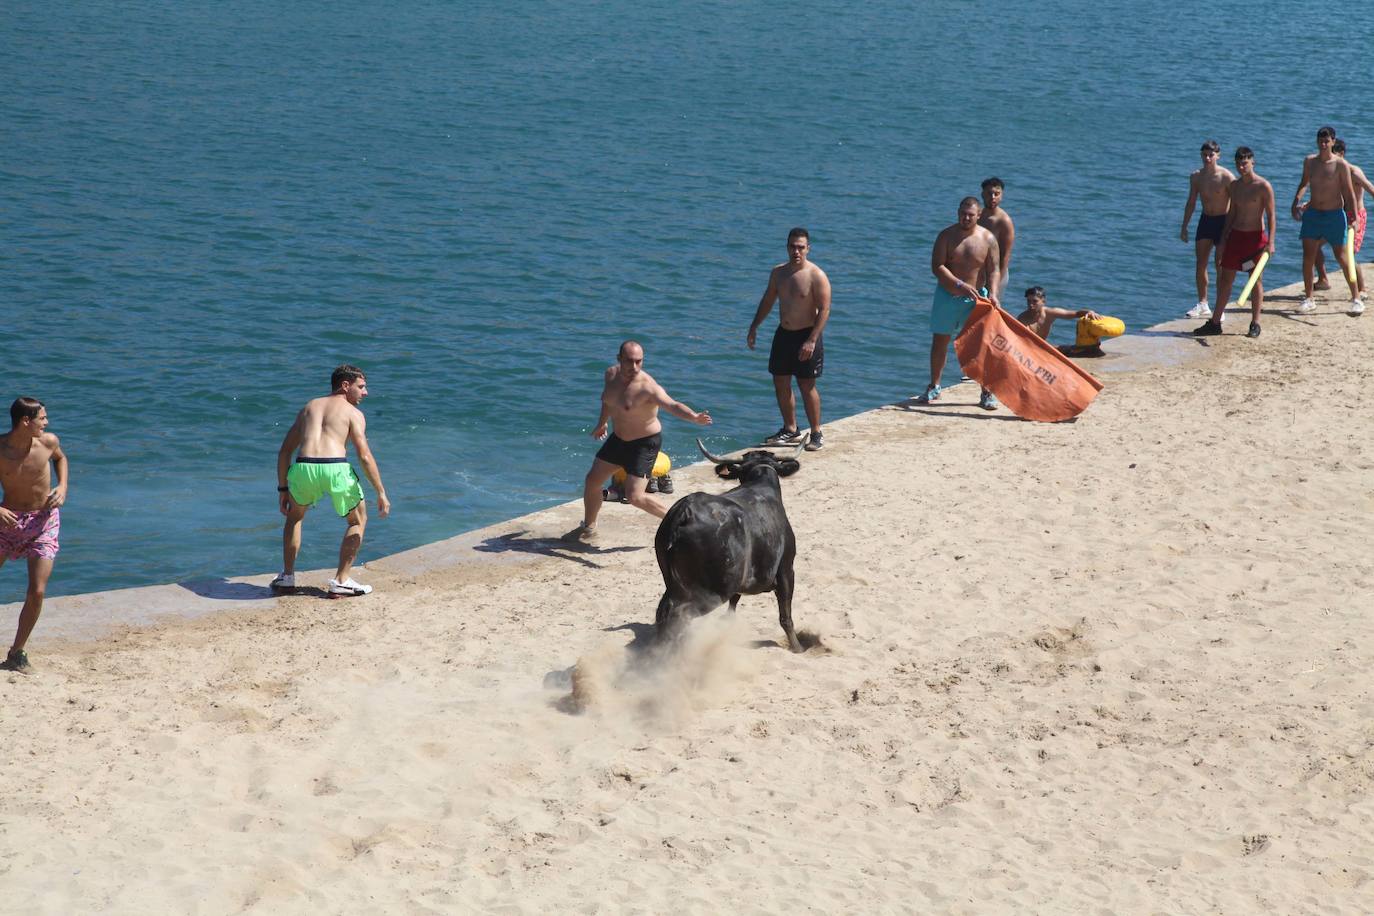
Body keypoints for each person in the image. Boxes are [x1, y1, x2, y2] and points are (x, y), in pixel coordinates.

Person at [563, 341, 711, 544]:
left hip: (644, 444)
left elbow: (672, 405)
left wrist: (694, 417)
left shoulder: (648, 387)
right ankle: (589, 528)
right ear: (619, 359)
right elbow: (608, 401)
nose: (633, 367)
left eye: (638, 362)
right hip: (619, 440)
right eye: (629, 361)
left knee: (635, 496)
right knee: (592, 481)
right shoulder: (610, 375)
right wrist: (602, 423)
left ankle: (684, 521)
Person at [273, 365, 390, 597]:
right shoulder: (353, 413)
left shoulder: (309, 407)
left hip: (304, 467)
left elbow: (285, 451)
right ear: (345, 385)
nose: (365, 393)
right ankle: (342, 580)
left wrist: (283, 488)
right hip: (335, 466)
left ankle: (287, 576)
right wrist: (381, 492)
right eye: (361, 387)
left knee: (295, 517)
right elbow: (364, 456)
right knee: (358, 520)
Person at [747, 227, 832, 451]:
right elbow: (768, 300)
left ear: (808, 249)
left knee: (806, 385)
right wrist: (754, 326)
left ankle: (816, 433)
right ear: (787, 247)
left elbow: (824, 310)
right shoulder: (778, 273)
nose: (796, 251)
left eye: (801, 247)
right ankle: (790, 428)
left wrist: (812, 340)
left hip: (807, 334)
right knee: (780, 381)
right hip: (784, 334)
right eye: (793, 247)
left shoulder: (817, 275)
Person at [0, 398, 68, 674]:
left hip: (43, 521)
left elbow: (61, 459)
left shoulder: (49, 442)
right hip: (7, 520)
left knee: (37, 591)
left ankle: (17, 652)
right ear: (25, 421)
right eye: (42, 418)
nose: (46, 422)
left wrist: (62, 487)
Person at [917, 196, 1001, 411]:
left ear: (979, 215)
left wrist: (993, 293)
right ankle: (934, 385)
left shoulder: (988, 238)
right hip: (948, 295)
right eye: (962, 213)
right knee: (940, 341)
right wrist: (959, 284)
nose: (965, 218)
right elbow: (937, 266)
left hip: (977, 299)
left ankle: (986, 391)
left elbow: (994, 270)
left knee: (982, 345)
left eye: (970, 215)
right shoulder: (946, 236)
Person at [1193, 147, 1276, 339]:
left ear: (1252, 163)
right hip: (1236, 238)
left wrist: (1270, 242)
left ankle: (1255, 323)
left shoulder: (1263, 186)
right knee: (1225, 279)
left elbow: (1271, 216)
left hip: (1255, 240)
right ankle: (1215, 323)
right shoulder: (1235, 186)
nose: (1241, 166)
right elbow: (1231, 214)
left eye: (1245, 163)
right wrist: (1223, 239)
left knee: (1255, 280)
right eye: (1239, 163)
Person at [1292, 126, 1359, 313]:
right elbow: (1304, 183)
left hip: (1334, 215)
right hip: (1313, 214)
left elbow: (1348, 191)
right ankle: (1309, 298)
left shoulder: (1340, 165)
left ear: (1333, 142)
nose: (1323, 144)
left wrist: (1353, 217)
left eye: (1326, 141)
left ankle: (1356, 297)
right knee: (1308, 256)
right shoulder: (1310, 162)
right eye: (1320, 141)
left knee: (1342, 257)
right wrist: (1295, 202)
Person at [1180, 140, 1235, 319]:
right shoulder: (1196, 176)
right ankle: (1203, 303)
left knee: (1220, 264)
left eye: (1211, 155)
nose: (1207, 158)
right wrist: (1184, 226)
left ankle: (1220, 306)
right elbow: (1191, 202)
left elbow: (1237, 203)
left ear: (1218, 155)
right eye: (1204, 155)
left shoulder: (1226, 177)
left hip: (1223, 222)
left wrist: (1235, 226)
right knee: (1200, 263)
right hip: (1205, 220)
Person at [1314, 139, 1372, 307]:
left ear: (1342, 154)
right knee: (1315, 244)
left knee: (1349, 254)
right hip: (1338, 215)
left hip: (1356, 216)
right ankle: (1323, 279)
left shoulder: (1354, 172)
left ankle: (1362, 289)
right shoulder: (1333, 171)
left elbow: (1370, 188)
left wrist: (1357, 220)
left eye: (1335, 155)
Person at [1016, 287, 1110, 355]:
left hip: (1042, 348)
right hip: (1027, 350)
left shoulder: (1050, 313)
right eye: (1028, 301)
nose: (1031, 305)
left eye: (1034, 301)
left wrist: (1089, 312)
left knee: (1083, 350)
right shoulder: (1022, 318)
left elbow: (1074, 313)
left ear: (1043, 301)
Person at [978, 178, 1015, 299]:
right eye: (989, 193)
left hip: (995, 273)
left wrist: (994, 285)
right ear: (982, 194)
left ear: (1001, 196)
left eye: (996, 194)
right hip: (977, 272)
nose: (993, 197)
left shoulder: (1004, 221)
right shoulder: (977, 215)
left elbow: (1005, 257)